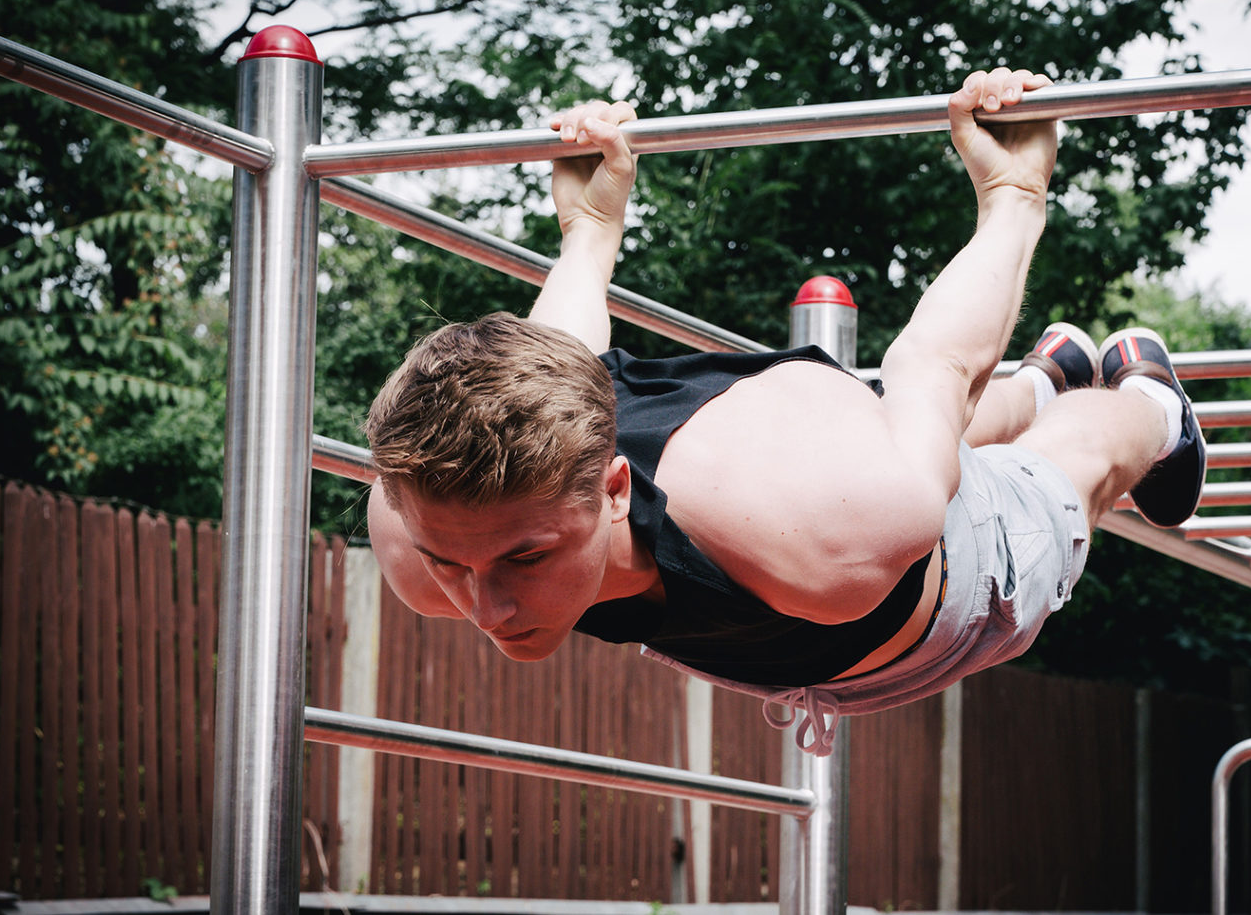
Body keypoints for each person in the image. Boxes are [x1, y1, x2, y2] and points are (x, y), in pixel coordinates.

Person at [364, 67, 1206, 755]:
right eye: (452, 565)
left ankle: (1147, 400)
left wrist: (1016, 194)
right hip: (821, 516)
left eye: (524, 558)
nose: (488, 610)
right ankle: (1044, 376)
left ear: (614, 487)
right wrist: (589, 226)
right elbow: (556, 350)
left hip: (939, 598)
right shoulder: (425, 523)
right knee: (895, 444)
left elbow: (938, 369)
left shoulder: (826, 529)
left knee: (1074, 458)